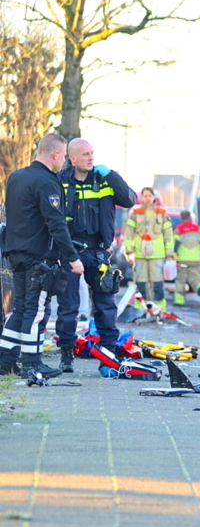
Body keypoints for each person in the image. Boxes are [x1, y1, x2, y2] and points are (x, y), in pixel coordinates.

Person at [0, 133, 84, 379]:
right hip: (38, 257)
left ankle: (5, 362)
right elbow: (56, 223)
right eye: (64, 156)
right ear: (56, 154)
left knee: (19, 309)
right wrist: (72, 257)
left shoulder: (16, 177)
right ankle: (31, 365)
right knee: (35, 312)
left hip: (15, 254)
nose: (65, 162)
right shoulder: (47, 181)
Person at [55, 139, 137, 373]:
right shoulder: (60, 182)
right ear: (72, 158)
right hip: (69, 252)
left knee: (104, 303)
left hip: (98, 251)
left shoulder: (104, 180)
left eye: (92, 153)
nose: (91, 158)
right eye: (85, 154)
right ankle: (66, 355)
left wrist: (112, 174)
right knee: (68, 305)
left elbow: (129, 199)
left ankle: (109, 352)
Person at [123, 187, 174, 309]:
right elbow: (129, 234)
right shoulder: (135, 213)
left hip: (158, 254)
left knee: (157, 282)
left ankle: (159, 308)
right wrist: (129, 251)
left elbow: (168, 235)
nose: (147, 198)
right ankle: (141, 308)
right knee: (141, 281)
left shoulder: (162, 213)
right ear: (142, 198)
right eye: (145, 196)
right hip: (140, 254)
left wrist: (170, 253)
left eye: (149, 196)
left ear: (153, 197)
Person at [173, 210, 200, 306]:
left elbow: (175, 245)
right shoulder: (197, 229)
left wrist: (173, 254)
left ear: (181, 218)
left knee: (181, 280)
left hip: (182, 260)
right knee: (196, 279)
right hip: (195, 260)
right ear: (190, 217)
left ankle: (179, 301)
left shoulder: (178, 229)